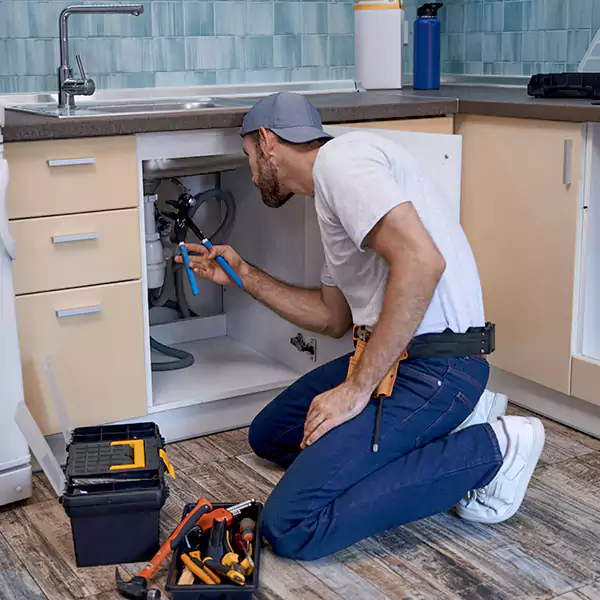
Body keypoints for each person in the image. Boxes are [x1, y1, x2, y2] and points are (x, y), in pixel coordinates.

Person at [176, 92, 546, 561]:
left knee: (290, 526)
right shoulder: (334, 193)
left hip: (437, 368)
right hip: (400, 360)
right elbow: (332, 318)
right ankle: (439, 431)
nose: (251, 172)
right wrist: (243, 275)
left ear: (268, 142)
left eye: (249, 156)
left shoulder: (342, 163)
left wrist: (355, 391)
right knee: (270, 433)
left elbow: (421, 261)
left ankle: (495, 449)